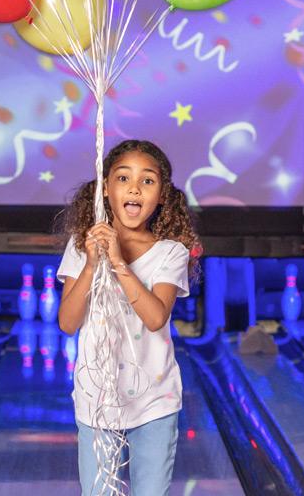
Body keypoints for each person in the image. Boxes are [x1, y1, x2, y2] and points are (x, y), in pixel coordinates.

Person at [56, 139, 201, 495]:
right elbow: (68, 322)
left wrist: (118, 260)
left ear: (163, 195)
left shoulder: (171, 253)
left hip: (155, 401)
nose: (134, 187)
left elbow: (155, 318)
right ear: (105, 189)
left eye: (147, 181)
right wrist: (92, 263)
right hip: (97, 401)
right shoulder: (82, 245)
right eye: (123, 178)